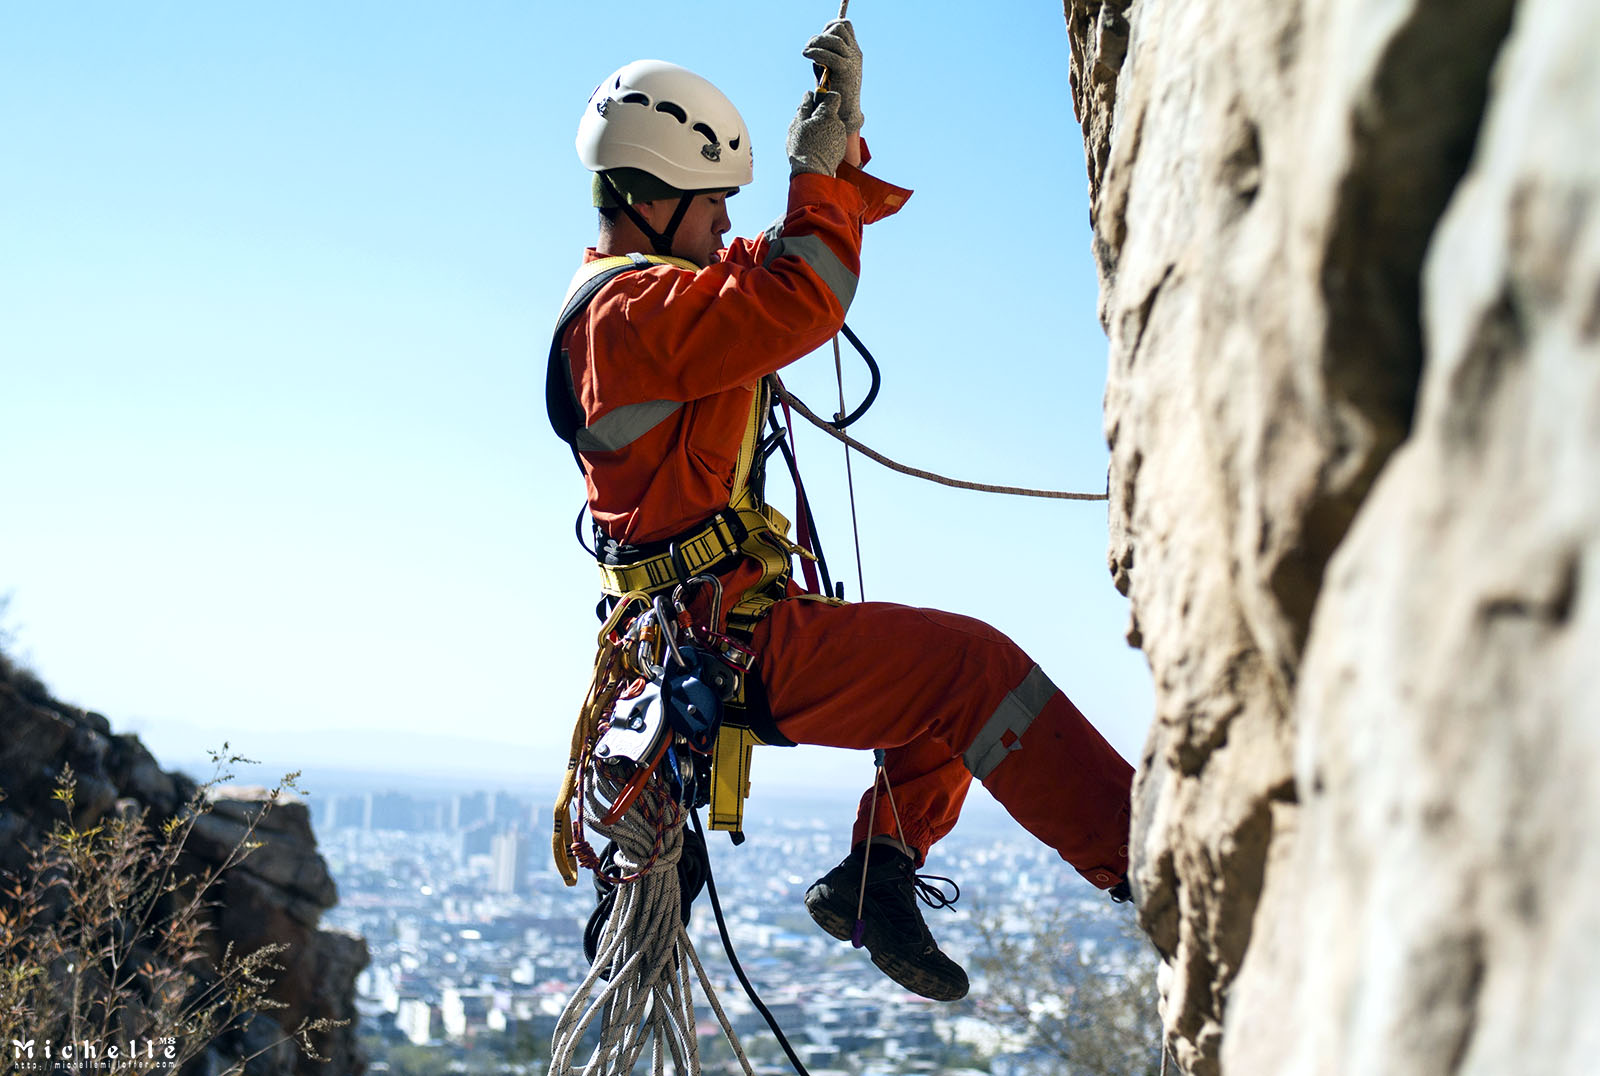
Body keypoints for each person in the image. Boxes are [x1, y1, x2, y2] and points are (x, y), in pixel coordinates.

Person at [550, 20, 1134, 1003]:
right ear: (651, 201)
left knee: (937, 691)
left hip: (709, 629)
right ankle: (1141, 862)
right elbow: (801, 293)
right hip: (723, 636)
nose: (720, 224)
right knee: (973, 672)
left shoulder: (651, 301)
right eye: (708, 206)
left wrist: (838, 144)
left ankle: (880, 870)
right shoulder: (630, 318)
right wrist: (811, 175)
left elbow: (777, 266)